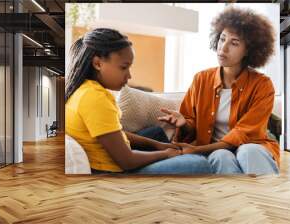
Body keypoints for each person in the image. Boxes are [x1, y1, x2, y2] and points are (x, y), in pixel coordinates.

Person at [65, 28, 212, 175]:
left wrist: (158, 145)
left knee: (155, 133)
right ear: (98, 63)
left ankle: (173, 157)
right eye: (124, 67)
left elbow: (114, 134)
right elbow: (127, 161)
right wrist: (165, 154)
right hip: (114, 172)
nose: (129, 75)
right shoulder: (95, 98)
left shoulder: (84, 89)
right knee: (199, 164)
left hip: (115, 158)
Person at [158, 7, 280, 175]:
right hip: (216, 150)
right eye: (222, 39)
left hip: (252, 147)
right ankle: (237, 200)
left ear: (249, 51)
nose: (223, 48)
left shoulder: (263, 85)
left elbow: (243, 134)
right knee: (220, 156)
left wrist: (197, 150)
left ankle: (266, 198)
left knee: (247, 151)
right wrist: (184, 123)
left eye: (234, 43)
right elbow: (192, 123)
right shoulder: (201, 79)